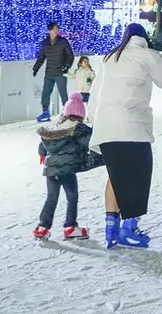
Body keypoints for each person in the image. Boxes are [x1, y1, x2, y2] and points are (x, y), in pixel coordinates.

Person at [89, 23, 162, 249]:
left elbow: (95, 94)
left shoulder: (109, 58)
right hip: (133, 127)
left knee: (115, 177)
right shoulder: (147, 55)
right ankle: (129, 227)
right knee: (137, 175)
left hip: (106, 127)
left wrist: (94, 122)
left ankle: (110, 229)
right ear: (144, 37)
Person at [34, 92, 99, 241]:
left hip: (50, 170)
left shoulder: (56, 128)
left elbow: (42, 147)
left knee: (51, 198)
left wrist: (43, 156)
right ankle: (70, 227)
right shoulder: (79, 129)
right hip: (66, 170)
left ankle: (42, 228)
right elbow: (89, 141)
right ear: (81, 114)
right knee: (72, 197)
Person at [32, 22, 75, 122]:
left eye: (57, 29)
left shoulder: (63, 41)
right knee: (46, 93)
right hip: (49, 73)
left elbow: (70, 55)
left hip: (60, 72)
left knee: (63, 93)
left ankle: (67, 113)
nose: (56, 31)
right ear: (49, 30)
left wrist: (66, 66)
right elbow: (41, 57)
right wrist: (36, 68)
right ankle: (45, 113)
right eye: (54, 29)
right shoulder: (45, 43)